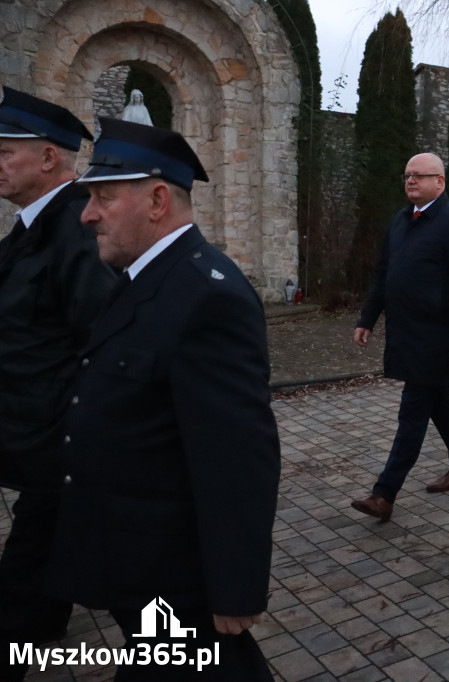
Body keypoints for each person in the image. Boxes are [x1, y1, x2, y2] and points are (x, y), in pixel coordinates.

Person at [45, 118, 281, 680]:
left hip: (172, 574)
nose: (87, 213)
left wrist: (235, 585)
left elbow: (239, 455)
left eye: (103, 196)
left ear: (156, 200)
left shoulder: (205, 296)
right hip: (135, 555)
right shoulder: (142, 278)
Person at [0, 87, 114, 681]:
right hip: (36, 438)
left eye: (4, 150)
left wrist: (77, 441)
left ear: (48, 158)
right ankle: (45, 619)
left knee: (23, 575)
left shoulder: (74, 227)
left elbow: (100, 342)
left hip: (59, 444)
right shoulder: (29, 228)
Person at [351, 153, 449, 522]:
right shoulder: (401, 220)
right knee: (439, 402)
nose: (410, 181)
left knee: (412, 415)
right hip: (406, 335)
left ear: (439, 181)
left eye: (418, 176)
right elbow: (383, 273)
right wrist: (367, 318)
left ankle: (384, 493)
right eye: (407, 175)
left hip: (436, 339)